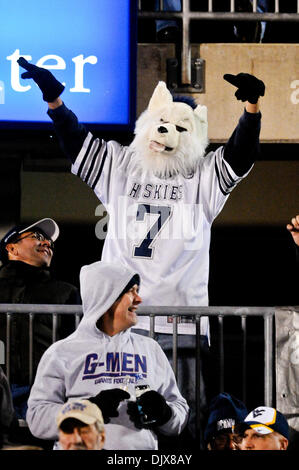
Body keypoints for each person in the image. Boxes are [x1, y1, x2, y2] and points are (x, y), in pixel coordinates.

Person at [17, 58, 264, 443]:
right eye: (162, 122)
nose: (167, 132)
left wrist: (251, 112)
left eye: (181, 127)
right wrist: (55, 100)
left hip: (178, 329)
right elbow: (76, 140)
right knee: (117, 427)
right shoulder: (123, 163)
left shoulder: (201, 175)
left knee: (178, 428)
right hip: (117, 326)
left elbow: (239, 154)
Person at [26, 261, 189, 450]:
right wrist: (88, 409)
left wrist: (165, 413)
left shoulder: (150, 349)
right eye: (131, 291)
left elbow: (180, 410)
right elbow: (37, 418)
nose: (138, 299)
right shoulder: (61, 352)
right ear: (106, 297)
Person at [0, 218, 80, 419]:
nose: (46, 243)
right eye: (36, 237)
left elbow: (76, 346)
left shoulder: (66, 292)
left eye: (49, 242)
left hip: (44, 392)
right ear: (12, 248)